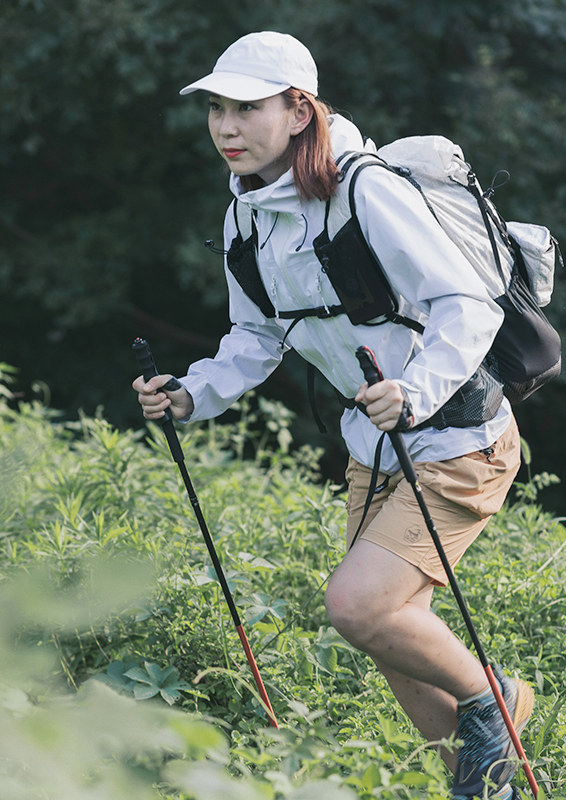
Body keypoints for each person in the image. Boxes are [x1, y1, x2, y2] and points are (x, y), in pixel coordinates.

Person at [132, 31, 533, 800]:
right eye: (217, 108)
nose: (226, 126)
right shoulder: (246, 216)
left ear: (299, 110)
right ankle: (482, 780)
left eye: (247, 107)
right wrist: (192, 393)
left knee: (359, 606)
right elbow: (255, 337)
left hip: (457, 437)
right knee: (387, 635)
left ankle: (496, 703)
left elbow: (466, 304)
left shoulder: (365, 191)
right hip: (376, 449)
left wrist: (414, 390)